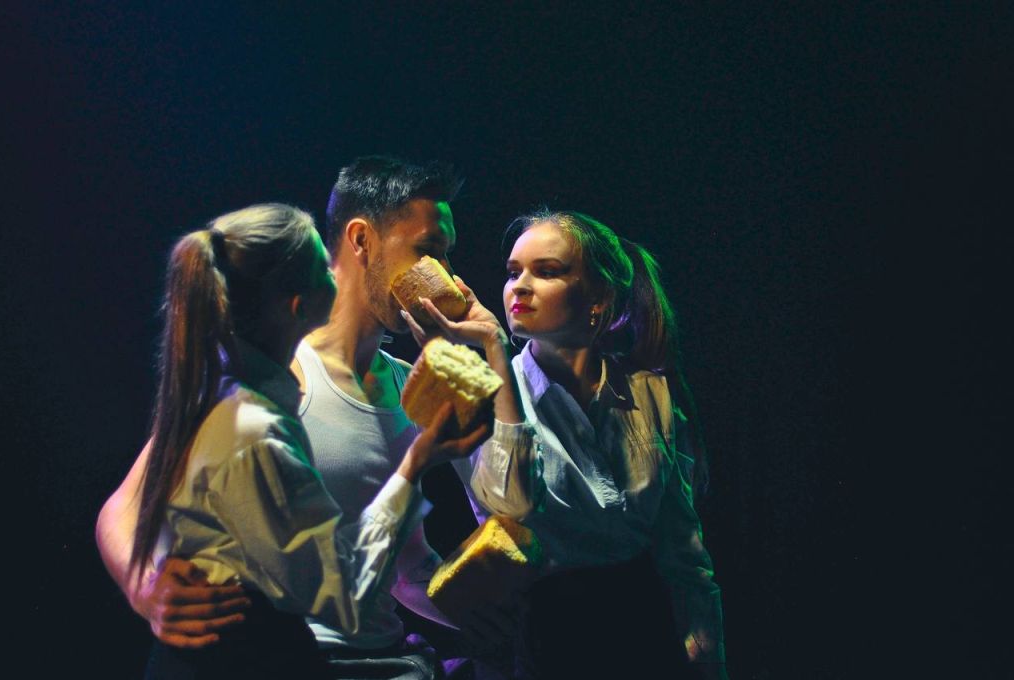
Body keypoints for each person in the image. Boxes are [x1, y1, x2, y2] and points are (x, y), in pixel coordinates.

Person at [97, 159, 522, 678]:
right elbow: (127, 506)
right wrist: (147, 588)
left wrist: (469, 615)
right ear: (361, 240)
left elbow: (409, 565)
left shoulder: (408, 385)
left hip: (383, 658)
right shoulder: (274, 372)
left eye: (446, 253)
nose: (447, 273)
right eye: (427, 249)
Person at [409, 210, 727, 679]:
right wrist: (495, 347)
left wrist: (706, 643)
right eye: (513, 272)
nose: (519, 286)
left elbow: (681, 544)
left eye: (547, 271)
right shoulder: (478, 394)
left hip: (646, 629)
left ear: (598, 297)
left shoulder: (650, 391)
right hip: (547, 639)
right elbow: (513, 505)